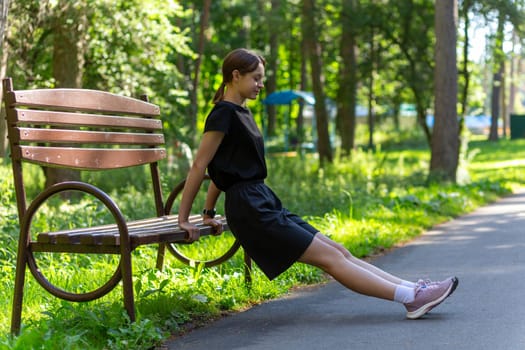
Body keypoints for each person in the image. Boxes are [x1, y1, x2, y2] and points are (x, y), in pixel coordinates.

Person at [178, 48, 458, 320]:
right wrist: (184, 219)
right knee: (330, 259)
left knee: (338, 251)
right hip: (250, 209)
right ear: (235, 76)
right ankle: (410, 299)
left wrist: (208, 213)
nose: (261, 84)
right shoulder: (222, 114)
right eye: (256, 78)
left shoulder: (242, 113)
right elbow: (200, 166)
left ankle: (414, 290)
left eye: (262, 78)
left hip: (262, 199)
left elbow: (224, 168)